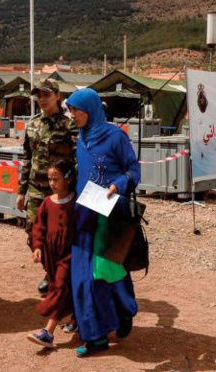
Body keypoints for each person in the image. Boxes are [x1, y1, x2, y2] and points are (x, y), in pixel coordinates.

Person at [66, 88, 141, 358]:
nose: (72, 115)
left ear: (91, 109)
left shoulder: (115, 137)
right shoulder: (81, 139)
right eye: (70, 110)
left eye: (76, 110)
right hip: (84, 215)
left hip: (109, 217)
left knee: (105, 274)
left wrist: (117, 184)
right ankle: (95, 336)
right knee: (82, 277)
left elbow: (134, 171)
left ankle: (124, 312)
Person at [16, 78, 77, 296]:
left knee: (60, 235)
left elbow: (77, 158)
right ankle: (49, 271)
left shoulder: (69, 125)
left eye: (46, 95)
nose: (42, 99)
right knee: (33, 234)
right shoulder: (32, 124)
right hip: (35, 190)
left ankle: (57, 277)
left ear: (57, 96)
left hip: (59, 192)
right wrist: (21, 191)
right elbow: (26, 158)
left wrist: (74, 188)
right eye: (39, 96)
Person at [26, 160, 77, 349]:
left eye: (56, 179)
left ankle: (48, 331)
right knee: (61, 285)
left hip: (70, 254)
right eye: (50, 179)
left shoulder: (76, 202)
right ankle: (75, 318)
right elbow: (39, 227)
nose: (52, 183)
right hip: (51, 256)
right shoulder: (47, 203)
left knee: (60, 287)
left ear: (69, 178)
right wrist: (38, 247)